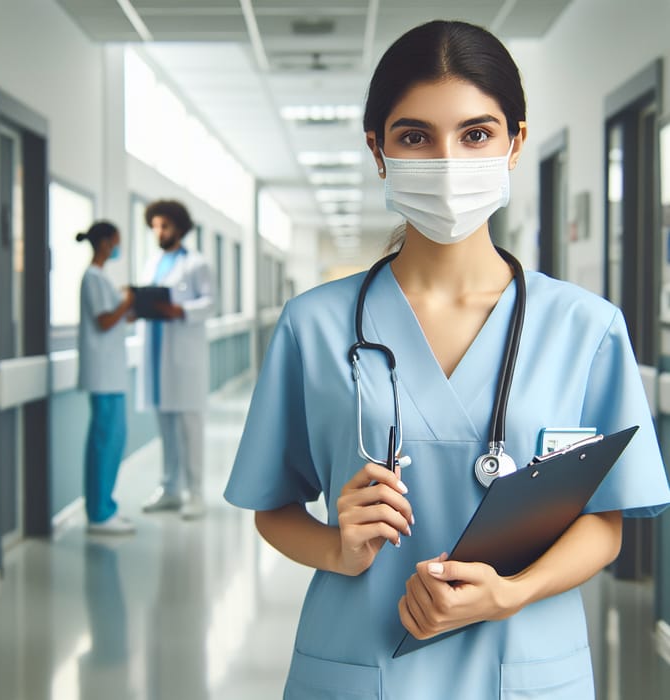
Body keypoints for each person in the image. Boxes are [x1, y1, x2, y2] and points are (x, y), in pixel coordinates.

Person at [224, 20, 670, 699]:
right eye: (414, 136)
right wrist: (336, 548)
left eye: (475, 133)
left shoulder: (586, 328)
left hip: (523, 662)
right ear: (379, 150)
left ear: (515, 142)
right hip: (361, 661)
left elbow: (603, 522)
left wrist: (510, 593)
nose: (448, 161)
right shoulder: (313, 325)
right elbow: (272, 508)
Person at [138, 199, 215, 520]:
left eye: (165, 226)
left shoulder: (197, 263)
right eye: (155, 226)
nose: (159, 232)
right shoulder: (152, 262)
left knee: (188, 427)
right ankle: (169, 489)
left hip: (183, 358)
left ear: (179, 228)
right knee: (166, 427)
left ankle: (194, 492)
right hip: (156, 357)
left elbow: (210, 302)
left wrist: (181, 310)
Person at [77, 221, 135, 535]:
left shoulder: (101, 279)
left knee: (112, 442)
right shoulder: (93, 278)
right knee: (103, 444)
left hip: (110, 374)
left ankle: (104, 508)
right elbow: (104, 321)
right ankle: (99, 514)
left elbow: (116, 317)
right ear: (105, 243)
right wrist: (127, 300)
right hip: (102, 376)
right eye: (116, 242)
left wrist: (130, 307)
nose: (117, 248)